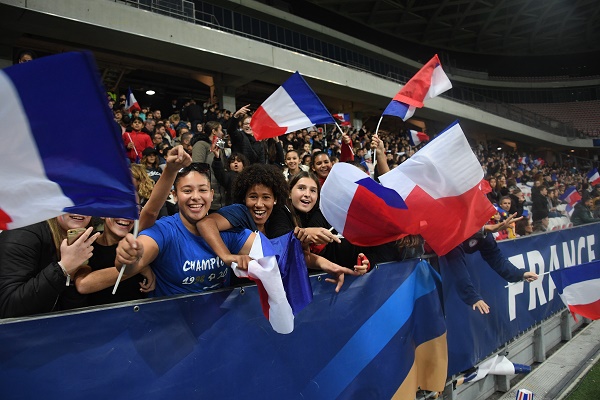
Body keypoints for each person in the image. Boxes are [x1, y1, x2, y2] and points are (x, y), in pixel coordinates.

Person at [196, 164, 360, 292]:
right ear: (244, 199)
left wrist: (334, 268)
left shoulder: (272, 220)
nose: (259, 204)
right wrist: (227, 256)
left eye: (266, 197)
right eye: (253, 197)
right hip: (240, 297)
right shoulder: (240, 212)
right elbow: (205, 223)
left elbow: (293, 256)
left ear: (275, 200)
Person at [115, 162, 256, 297]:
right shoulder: (165, 231)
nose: (196, 197)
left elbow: (268, 253)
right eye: (187, 191)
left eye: (202, 190)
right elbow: (130, 267)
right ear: (175, 195)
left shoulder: (227, 229)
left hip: (218, 318)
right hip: (170, 319)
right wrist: (127, 258)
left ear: (211, 194)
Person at [0, 214, 99, 318]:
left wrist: (73, 277)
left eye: (85, 202)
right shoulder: (22, 233)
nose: (79, 211)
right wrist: (62, 268)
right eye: (72, 201)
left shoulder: (84, 238)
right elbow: (7, 307)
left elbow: (69, 312)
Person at [74, 217, 152, 306]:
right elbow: (82, 285)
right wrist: (139, 268)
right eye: (118, 207)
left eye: (131, 209)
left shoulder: (139, 244)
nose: (126, 216)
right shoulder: (88, 243)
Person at [192, 120, 227, 211]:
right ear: (214, 131)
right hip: (207, 193)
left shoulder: (220, 147)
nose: (222, 133)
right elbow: (197, 168)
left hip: (221, 196)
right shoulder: (201, 145)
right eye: (220, 130)